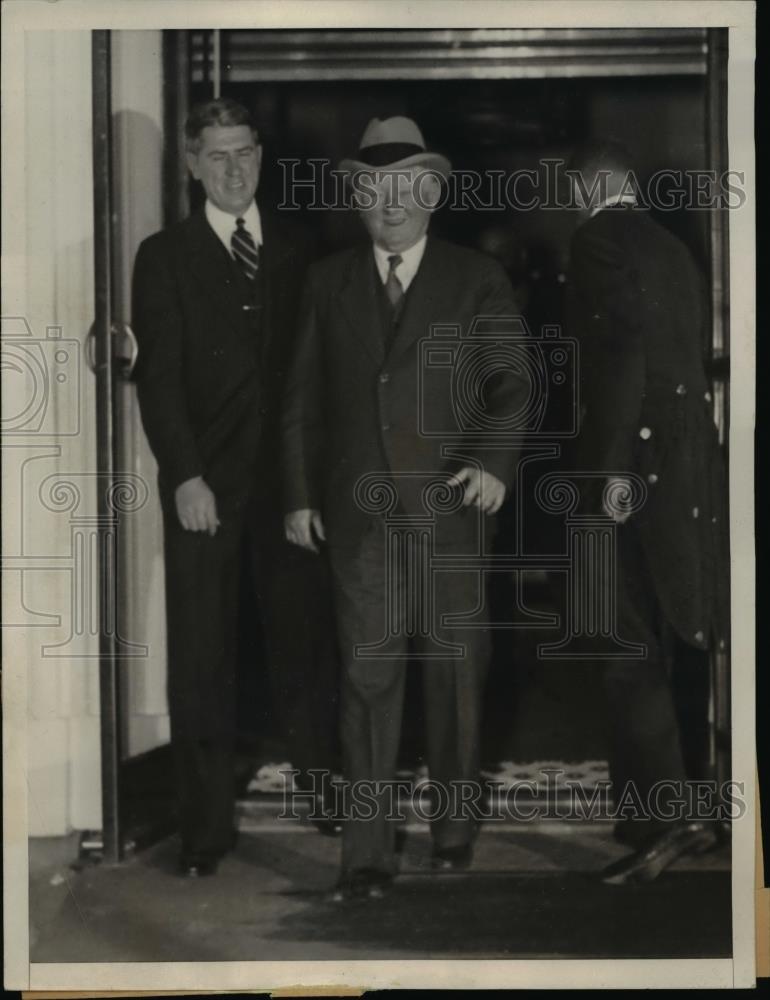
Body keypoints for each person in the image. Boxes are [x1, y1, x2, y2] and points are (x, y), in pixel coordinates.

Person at [283, 116, 528, 901]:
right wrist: (296, 496)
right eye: (371, 188)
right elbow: (299, 402)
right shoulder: (327, 281)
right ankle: (366, 854)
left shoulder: (474, 277)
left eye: (403, 186)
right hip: (359, 520)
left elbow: (512, 382)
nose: (387, 202)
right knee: (366, 680)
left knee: (456, 676)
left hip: (451, 511)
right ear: (356, 198)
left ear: (431, 191)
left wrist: (491, 462)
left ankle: (453, 831)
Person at [132, 98, 338, 878]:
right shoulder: (164, 256)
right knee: (203, 660)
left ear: (261, 155)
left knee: (305, 648)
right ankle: (203, 832)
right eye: (215, 156)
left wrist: (310, 486)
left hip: (290, 491)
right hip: (205, 491)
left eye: (244, 152)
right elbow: (159, 382)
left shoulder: (301, 248)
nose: (232, 168)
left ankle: (324, 794)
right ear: (191, 165)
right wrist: (183, 474)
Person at [566, 139, 729, 885]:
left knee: (622, 640)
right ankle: (678, 807)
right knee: (672, 634)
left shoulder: (599, 239)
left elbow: (619, 357)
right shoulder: (674, 247)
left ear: (587, 194)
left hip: (628, 469)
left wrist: (606, 474)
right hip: (683, 468)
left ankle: (661, 823)